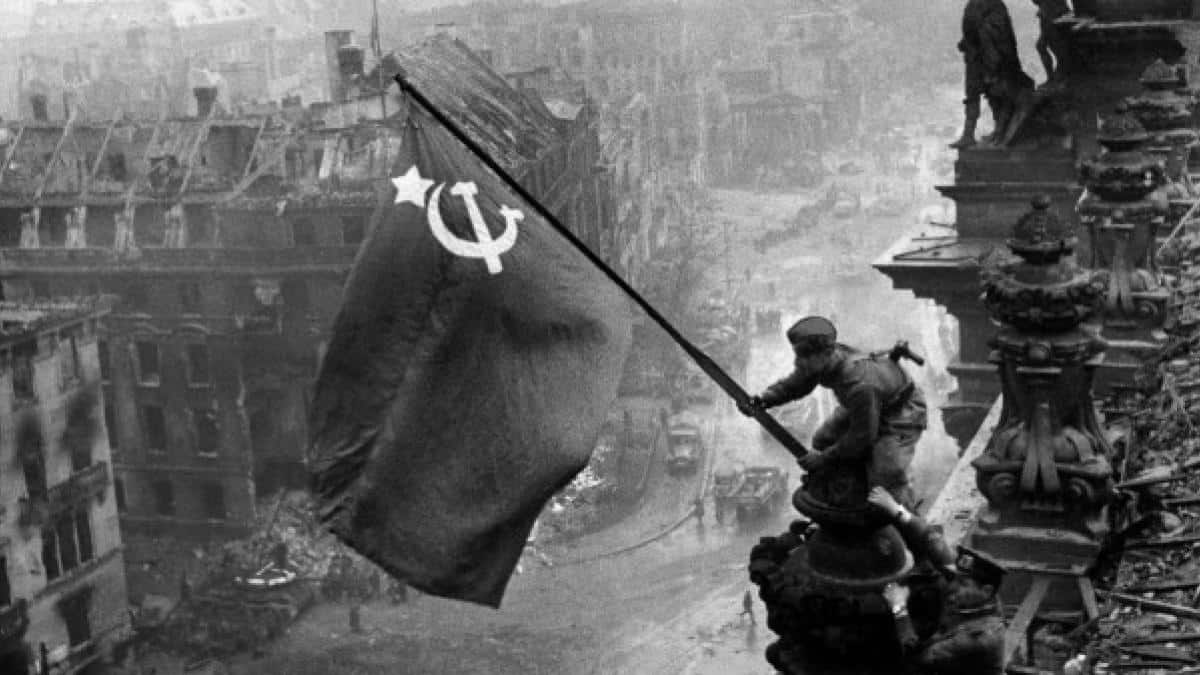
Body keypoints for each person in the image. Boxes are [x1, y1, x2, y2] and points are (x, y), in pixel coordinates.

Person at [738, 316, 927, 510]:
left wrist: (823, 459)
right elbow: (797, 384)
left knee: (886, 474)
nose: (799, 362)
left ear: (827, 352)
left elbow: (862, 436)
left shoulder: (857, 382)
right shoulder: (823, 360)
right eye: (798, 355)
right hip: (866, 404)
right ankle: (845, 490)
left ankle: (906, 519)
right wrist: (764, 399)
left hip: (901, 412)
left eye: (805, 356)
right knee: (823, 439)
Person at [870, 488, 1007, 675]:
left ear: (986, 591)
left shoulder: (978, 638)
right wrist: (896, 510)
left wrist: (899, 608)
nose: (954, 586)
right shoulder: (978, 596)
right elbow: (933, 542)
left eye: (963, 584)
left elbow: (917, 657)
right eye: (957, 579)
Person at [951, 0, 1035, 149]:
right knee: (972, 94)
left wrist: (992, 61)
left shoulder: (995, 7)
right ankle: (968, 135)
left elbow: (998, 35)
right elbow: (971, 28)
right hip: (975, 57)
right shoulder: (975, 5)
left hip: (993, 60)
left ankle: (999, 132)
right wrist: (966, 43)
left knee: (997, 95)